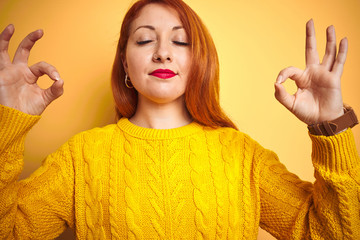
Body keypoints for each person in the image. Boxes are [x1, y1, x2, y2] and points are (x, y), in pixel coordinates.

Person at [0, 0, 359, 239]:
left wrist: (330, 124)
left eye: (181, 42)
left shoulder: (242, 156)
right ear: (125, 62)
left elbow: (334, 233)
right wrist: (7, 124)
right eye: (144, 41)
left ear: (199, 60)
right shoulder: (82, 157)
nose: (162, 53)